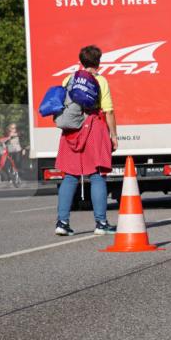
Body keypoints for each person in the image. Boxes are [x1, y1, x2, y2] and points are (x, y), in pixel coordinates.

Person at [54, 45, 118, 236]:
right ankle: (101, 223)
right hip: (94, 127)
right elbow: (108, 111)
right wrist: (113, 135)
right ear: (98, 62)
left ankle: (62, 222)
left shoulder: (69, 79)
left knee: (70, 176)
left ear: (81, 61)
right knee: (97, 175)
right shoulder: (101, 81)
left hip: (71, 130)